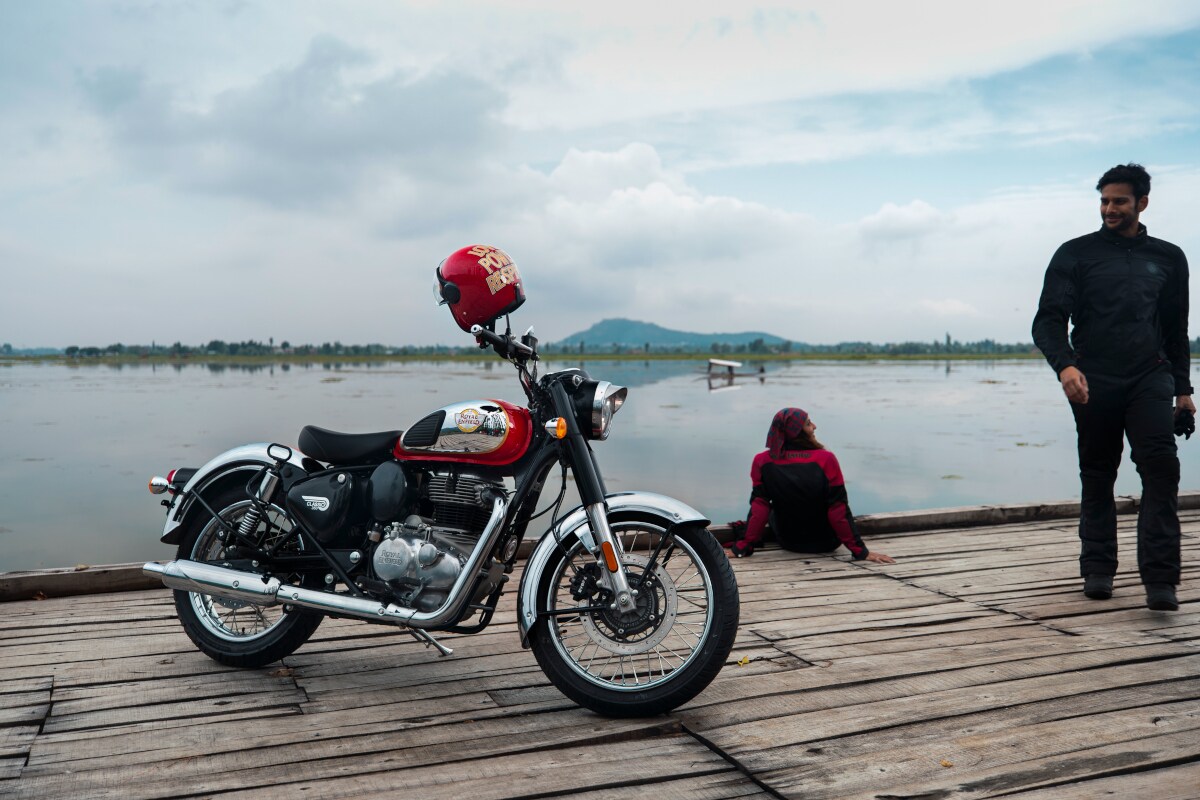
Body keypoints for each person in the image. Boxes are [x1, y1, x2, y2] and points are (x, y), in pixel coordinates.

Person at [1032, 163, 1192, 611]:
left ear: (1142, 202)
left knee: (1161, 466)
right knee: (1098, 472)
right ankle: (1098, 570)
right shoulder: (1075, 254)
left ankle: (1161, 580)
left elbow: (1175, 328)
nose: (1109, 209)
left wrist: (1183, 389)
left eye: (1119, 201)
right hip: (1093, 377)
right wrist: (1065, 367)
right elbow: (1048, 321)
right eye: (1104, 200)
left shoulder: (1169, 257)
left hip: (1150, 374)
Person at [725, 407, 895, 564]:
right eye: (808, 423)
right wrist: (860, 551)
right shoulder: (826, 459)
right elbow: (838, 509)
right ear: (796, 432)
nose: (814, 426)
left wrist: (741, 547)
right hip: (828, 542)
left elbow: (759, 508)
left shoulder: (762, 461)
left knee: (769, 506)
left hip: (789, 541)